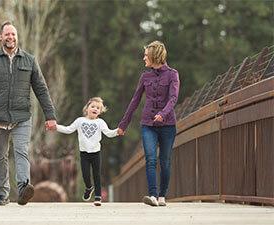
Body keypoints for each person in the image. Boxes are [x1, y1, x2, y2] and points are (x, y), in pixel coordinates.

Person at [0, 21, 57, 206]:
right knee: (1, 155)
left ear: (17, 37)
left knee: (21, 152)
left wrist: (50, 115)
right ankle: (2, 193)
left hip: (21, 117)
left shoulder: (29, 60)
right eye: (7, 34)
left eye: (13, 34)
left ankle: (22, 189)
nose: (10, 37)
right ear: (0, 37)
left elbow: (41, 89)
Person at [117, 41, 180, 207]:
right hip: (148, 124)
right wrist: (123, 124)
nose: (143, 58)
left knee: (165, 161)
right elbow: (135, 100)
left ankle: (162, 196)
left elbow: (173, 98)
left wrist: (163, 114)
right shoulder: (145, 76)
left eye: (146, 55)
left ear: (154, 56)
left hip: (168, 125)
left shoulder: (173, 74)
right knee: (151, 159)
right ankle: (152, 195)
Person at [51, 97, 119, 206]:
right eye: (93, 106)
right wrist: (56, 127)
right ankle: (88, 188)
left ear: (100, 112)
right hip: (84, 154)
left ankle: (98, 197)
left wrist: (118, 131)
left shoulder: (100, 122)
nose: (95, 109)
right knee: (85, 174)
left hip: (96, 153)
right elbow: (68, 129)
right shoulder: (80, 121)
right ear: (87, 108)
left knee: (96, 174)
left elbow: (109, 133)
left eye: (98, 108)